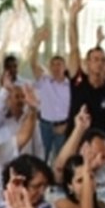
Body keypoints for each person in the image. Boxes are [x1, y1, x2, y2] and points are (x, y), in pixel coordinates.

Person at [66, 0, 105, 153]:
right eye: (96, 60)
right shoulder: (78, 80)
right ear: (88, 62)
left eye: (103, 60)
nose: (99, 63)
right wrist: (73, 18)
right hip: (73, 145)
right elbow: (73, 46)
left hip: (97, 150)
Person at [28, 26, 71, 162]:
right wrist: (38, 42)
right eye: (53, 64)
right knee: (42, 157)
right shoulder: (44, 81)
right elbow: (33, 63)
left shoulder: (71, 86)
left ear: (65, 67)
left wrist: (67, 125)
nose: (56, 67)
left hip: (63, 126)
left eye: (59, 64)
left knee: (61, 158)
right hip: (45, 125)